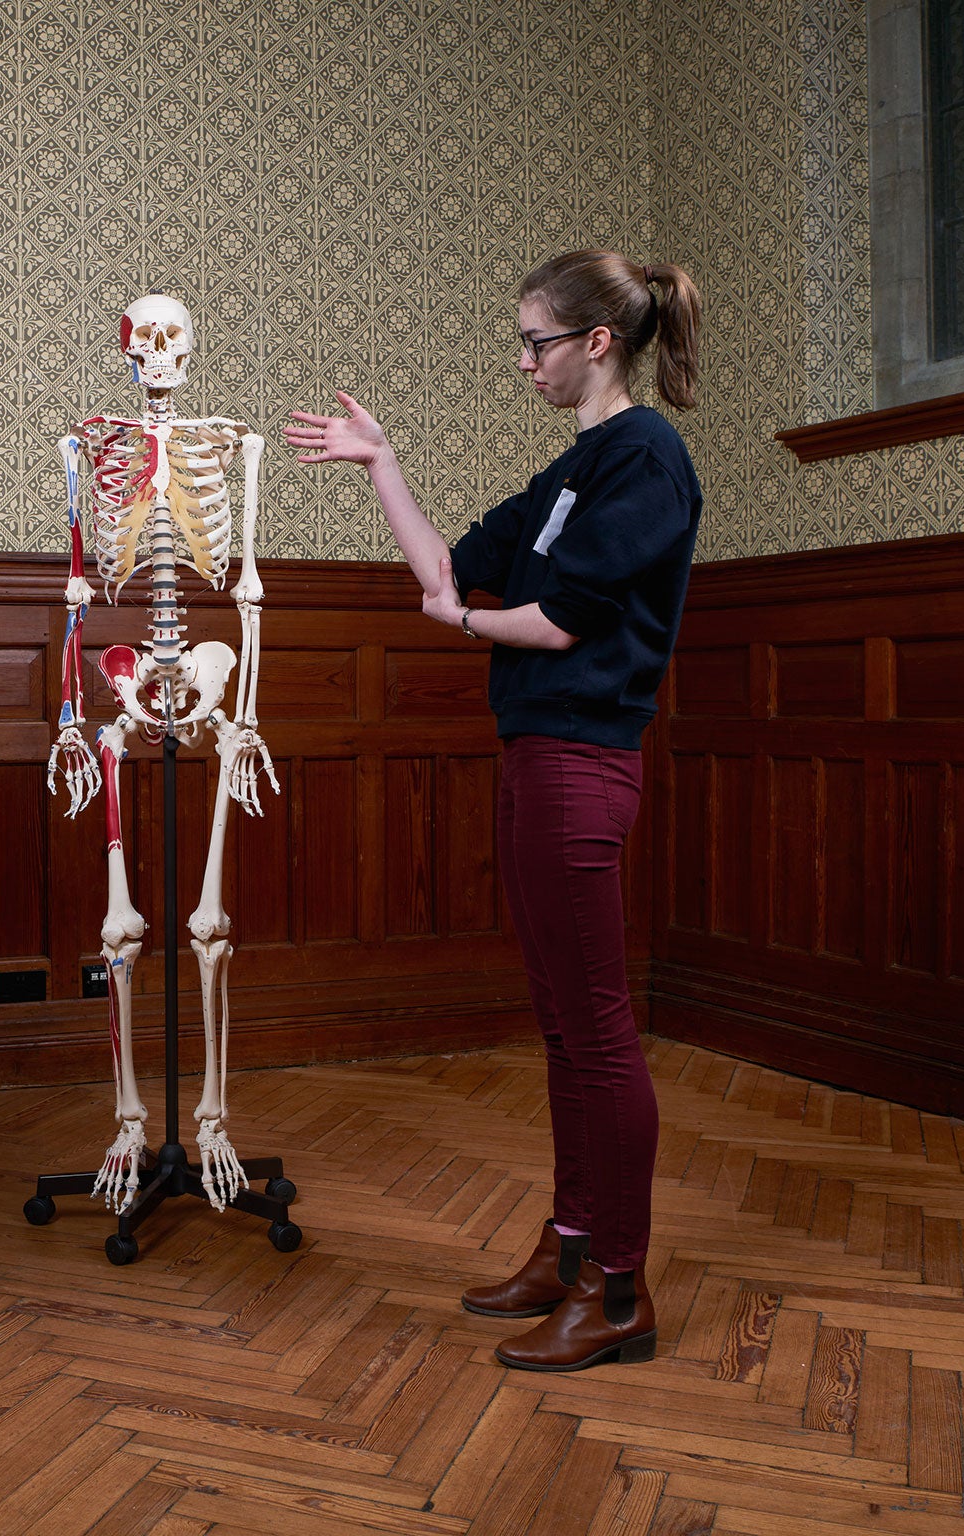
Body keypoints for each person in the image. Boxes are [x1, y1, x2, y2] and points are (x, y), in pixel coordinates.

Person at [285, 250, 703, 1373]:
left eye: (535, 342)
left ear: (596, 344)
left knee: (600, 1031)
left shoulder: (646, 458)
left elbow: (556, 623)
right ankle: (568, 1250)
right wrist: (382, 468)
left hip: (583, 760)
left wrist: (471, 627)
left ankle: (620, 1289)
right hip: (534, 755)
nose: (523, 362)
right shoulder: (570, 472)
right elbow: (443, 577)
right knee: (563, 1024)